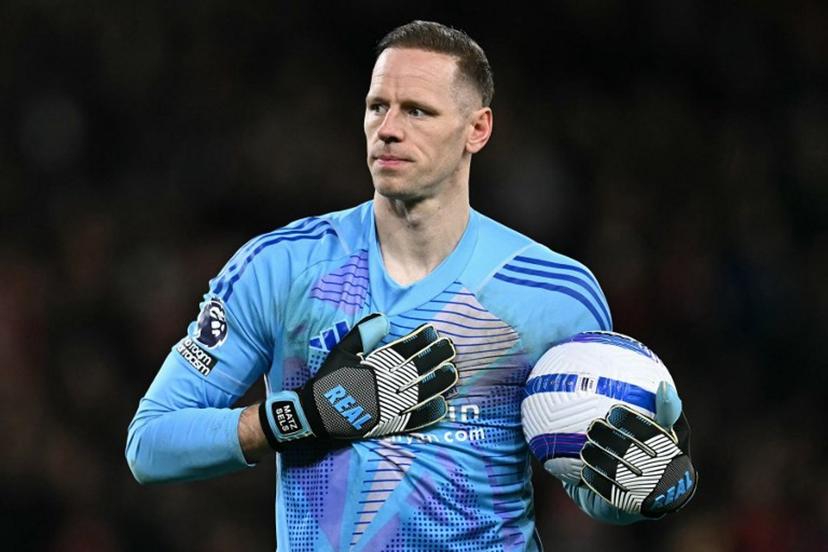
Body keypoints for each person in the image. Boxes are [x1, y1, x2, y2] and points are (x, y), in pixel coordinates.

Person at [126, 20, 696, 551]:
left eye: (418, 111)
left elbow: (587, 489)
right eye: (378, 106)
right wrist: (302, 417)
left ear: (477, 129)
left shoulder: (556, 293)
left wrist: (641, 487)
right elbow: (150, 445)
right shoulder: (280, 266)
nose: (389, 129)